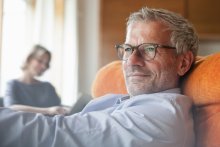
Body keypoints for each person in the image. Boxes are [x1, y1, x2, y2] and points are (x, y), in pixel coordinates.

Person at [0, 7, 198, 147]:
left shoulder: (161, 119)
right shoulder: (134, 102)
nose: (131, 60)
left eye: (149, 49)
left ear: (183, 63)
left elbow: (53, 134)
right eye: (128, 49)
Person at [3, 45, 68, 115]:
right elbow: (11, 108)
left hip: (52, 124)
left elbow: (59, 108)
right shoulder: (13, 84)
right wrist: (47, 111)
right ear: (29, 59)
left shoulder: (48, 87)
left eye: (46, 64)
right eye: (40, 61)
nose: (44, 67)